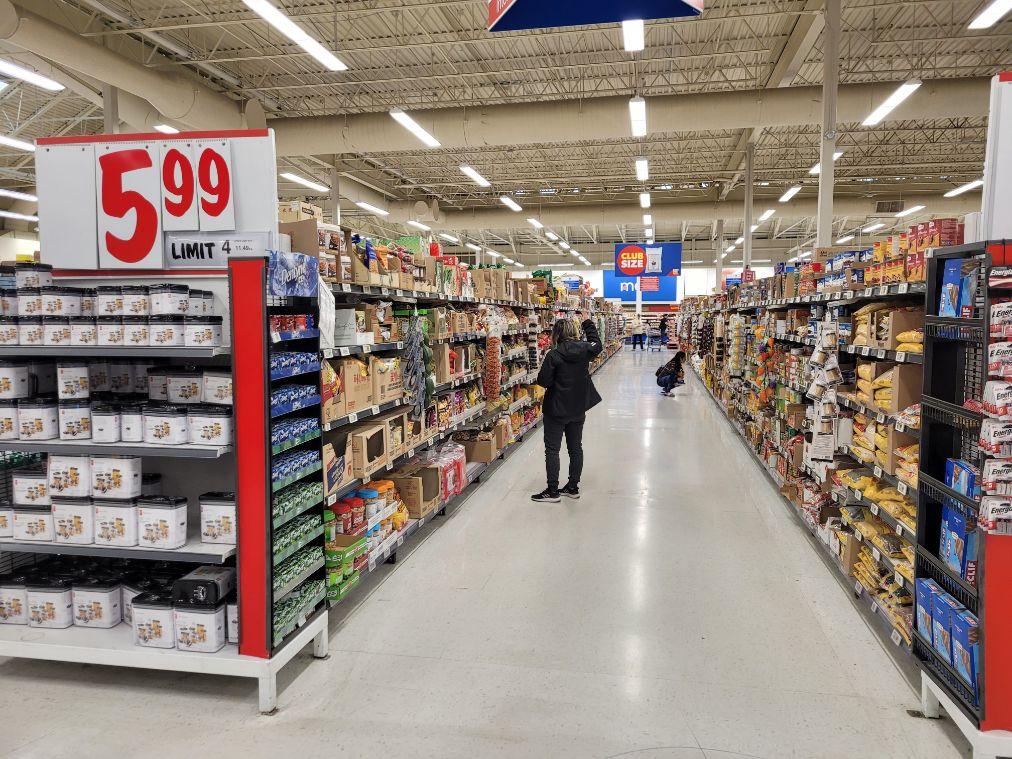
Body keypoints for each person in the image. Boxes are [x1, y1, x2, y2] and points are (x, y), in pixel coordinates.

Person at [532, 313, 603, 503]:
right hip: (578, 408)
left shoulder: (553, 355)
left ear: (557, 334)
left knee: (552, 450)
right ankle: (573, 487)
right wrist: (588, 322)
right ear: (574, 332)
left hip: (556, 409)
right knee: (575, 448)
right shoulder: (586, 350)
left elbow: (544, 381)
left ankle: (553, 491)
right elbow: (598, 344)